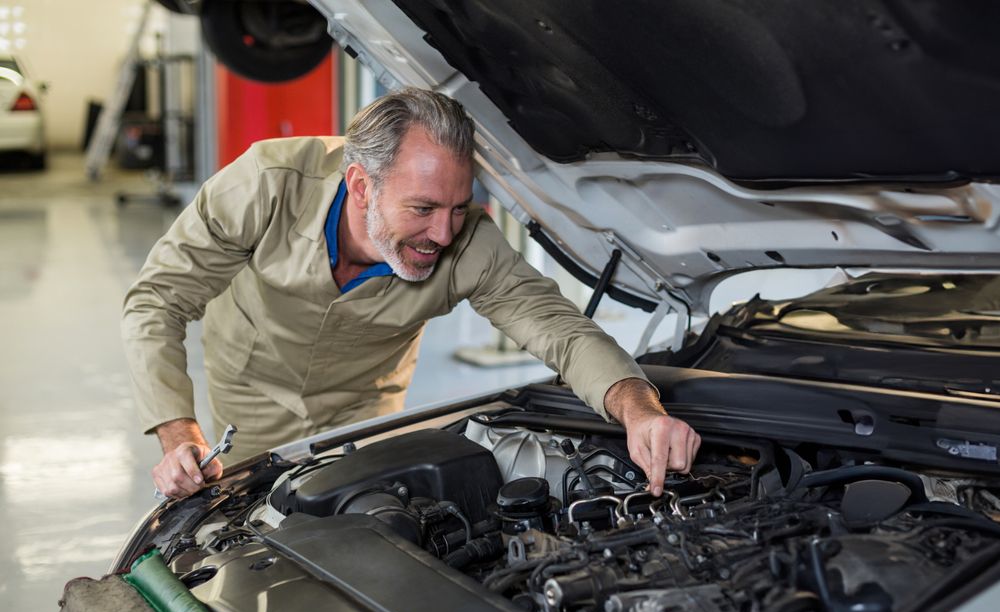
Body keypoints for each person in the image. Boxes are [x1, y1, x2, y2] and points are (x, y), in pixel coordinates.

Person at [122, 88, 700, 500]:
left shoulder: (467, 244)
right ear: (360, 186)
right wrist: (179, 434)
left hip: (363, 414)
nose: (443, 234)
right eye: (422, 209)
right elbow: (158, 300)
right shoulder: (264, 188)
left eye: (457, 207)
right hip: (247, 399)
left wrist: (639, 410)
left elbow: (563, 332)